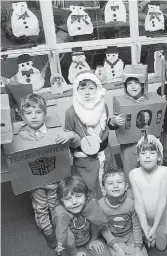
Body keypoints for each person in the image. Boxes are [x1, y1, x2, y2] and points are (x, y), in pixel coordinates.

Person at [17, 94, 75, 248]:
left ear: (45, 113)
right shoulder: (20, 135)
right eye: (28, 113)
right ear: (22, 116)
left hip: (55, 180)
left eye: (38, 112)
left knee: (55, 205)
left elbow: (71, 143)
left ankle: (58, 228)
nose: (34, 117)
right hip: (35, 182)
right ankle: (48, 231)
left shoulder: (54, 131)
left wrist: (69, 135)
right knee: (40, 207)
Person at [65, 70, 124, 199]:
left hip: (106, 155)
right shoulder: (71, 112)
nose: (87, 92)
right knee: (88, 190)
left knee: (110, 184)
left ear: (97, 88)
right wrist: (74, 140)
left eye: (91, 88)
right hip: (85, 161)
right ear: (76, 89)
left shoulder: (103, 107)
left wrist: (113, 122)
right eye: (82, 88)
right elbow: (69, 140)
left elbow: (106, 128)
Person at [54, 176, 124, 256]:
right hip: (71, 248)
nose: (74, 202)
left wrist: (94, 240)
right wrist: (74, 253)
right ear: (61, 200)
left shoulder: (90, 206)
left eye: (78, 196)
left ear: (85, 196)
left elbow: (99, 224)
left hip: (89, 240)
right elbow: (68, 241)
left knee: (104, 253)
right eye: (68, 198)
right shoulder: (61, 214)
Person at [129, 134, 167, 251]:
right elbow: (138, 201)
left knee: (160, 247)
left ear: (159, 157)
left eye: (152, 153)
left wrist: (156, 226)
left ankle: (158, 230)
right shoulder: (133, 174)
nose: (147, 156)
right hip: (143, 218)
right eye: (143, 153)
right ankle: (147, 230)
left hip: (161, 219)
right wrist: (145, 226)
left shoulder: (165, 172)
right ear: (138, 157)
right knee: (149, 245)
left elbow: (162, 199)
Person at [98, 167, 148, 256]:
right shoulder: (100, 205)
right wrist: (116, 247)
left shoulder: (131, 203)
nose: (115, 186)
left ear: (126, 186)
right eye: (110, 183)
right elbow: (103, 229)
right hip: (114, 239)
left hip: (131, 236)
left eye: (119, 182)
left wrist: (137, 249)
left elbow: (137, 226)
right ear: (104, 187)